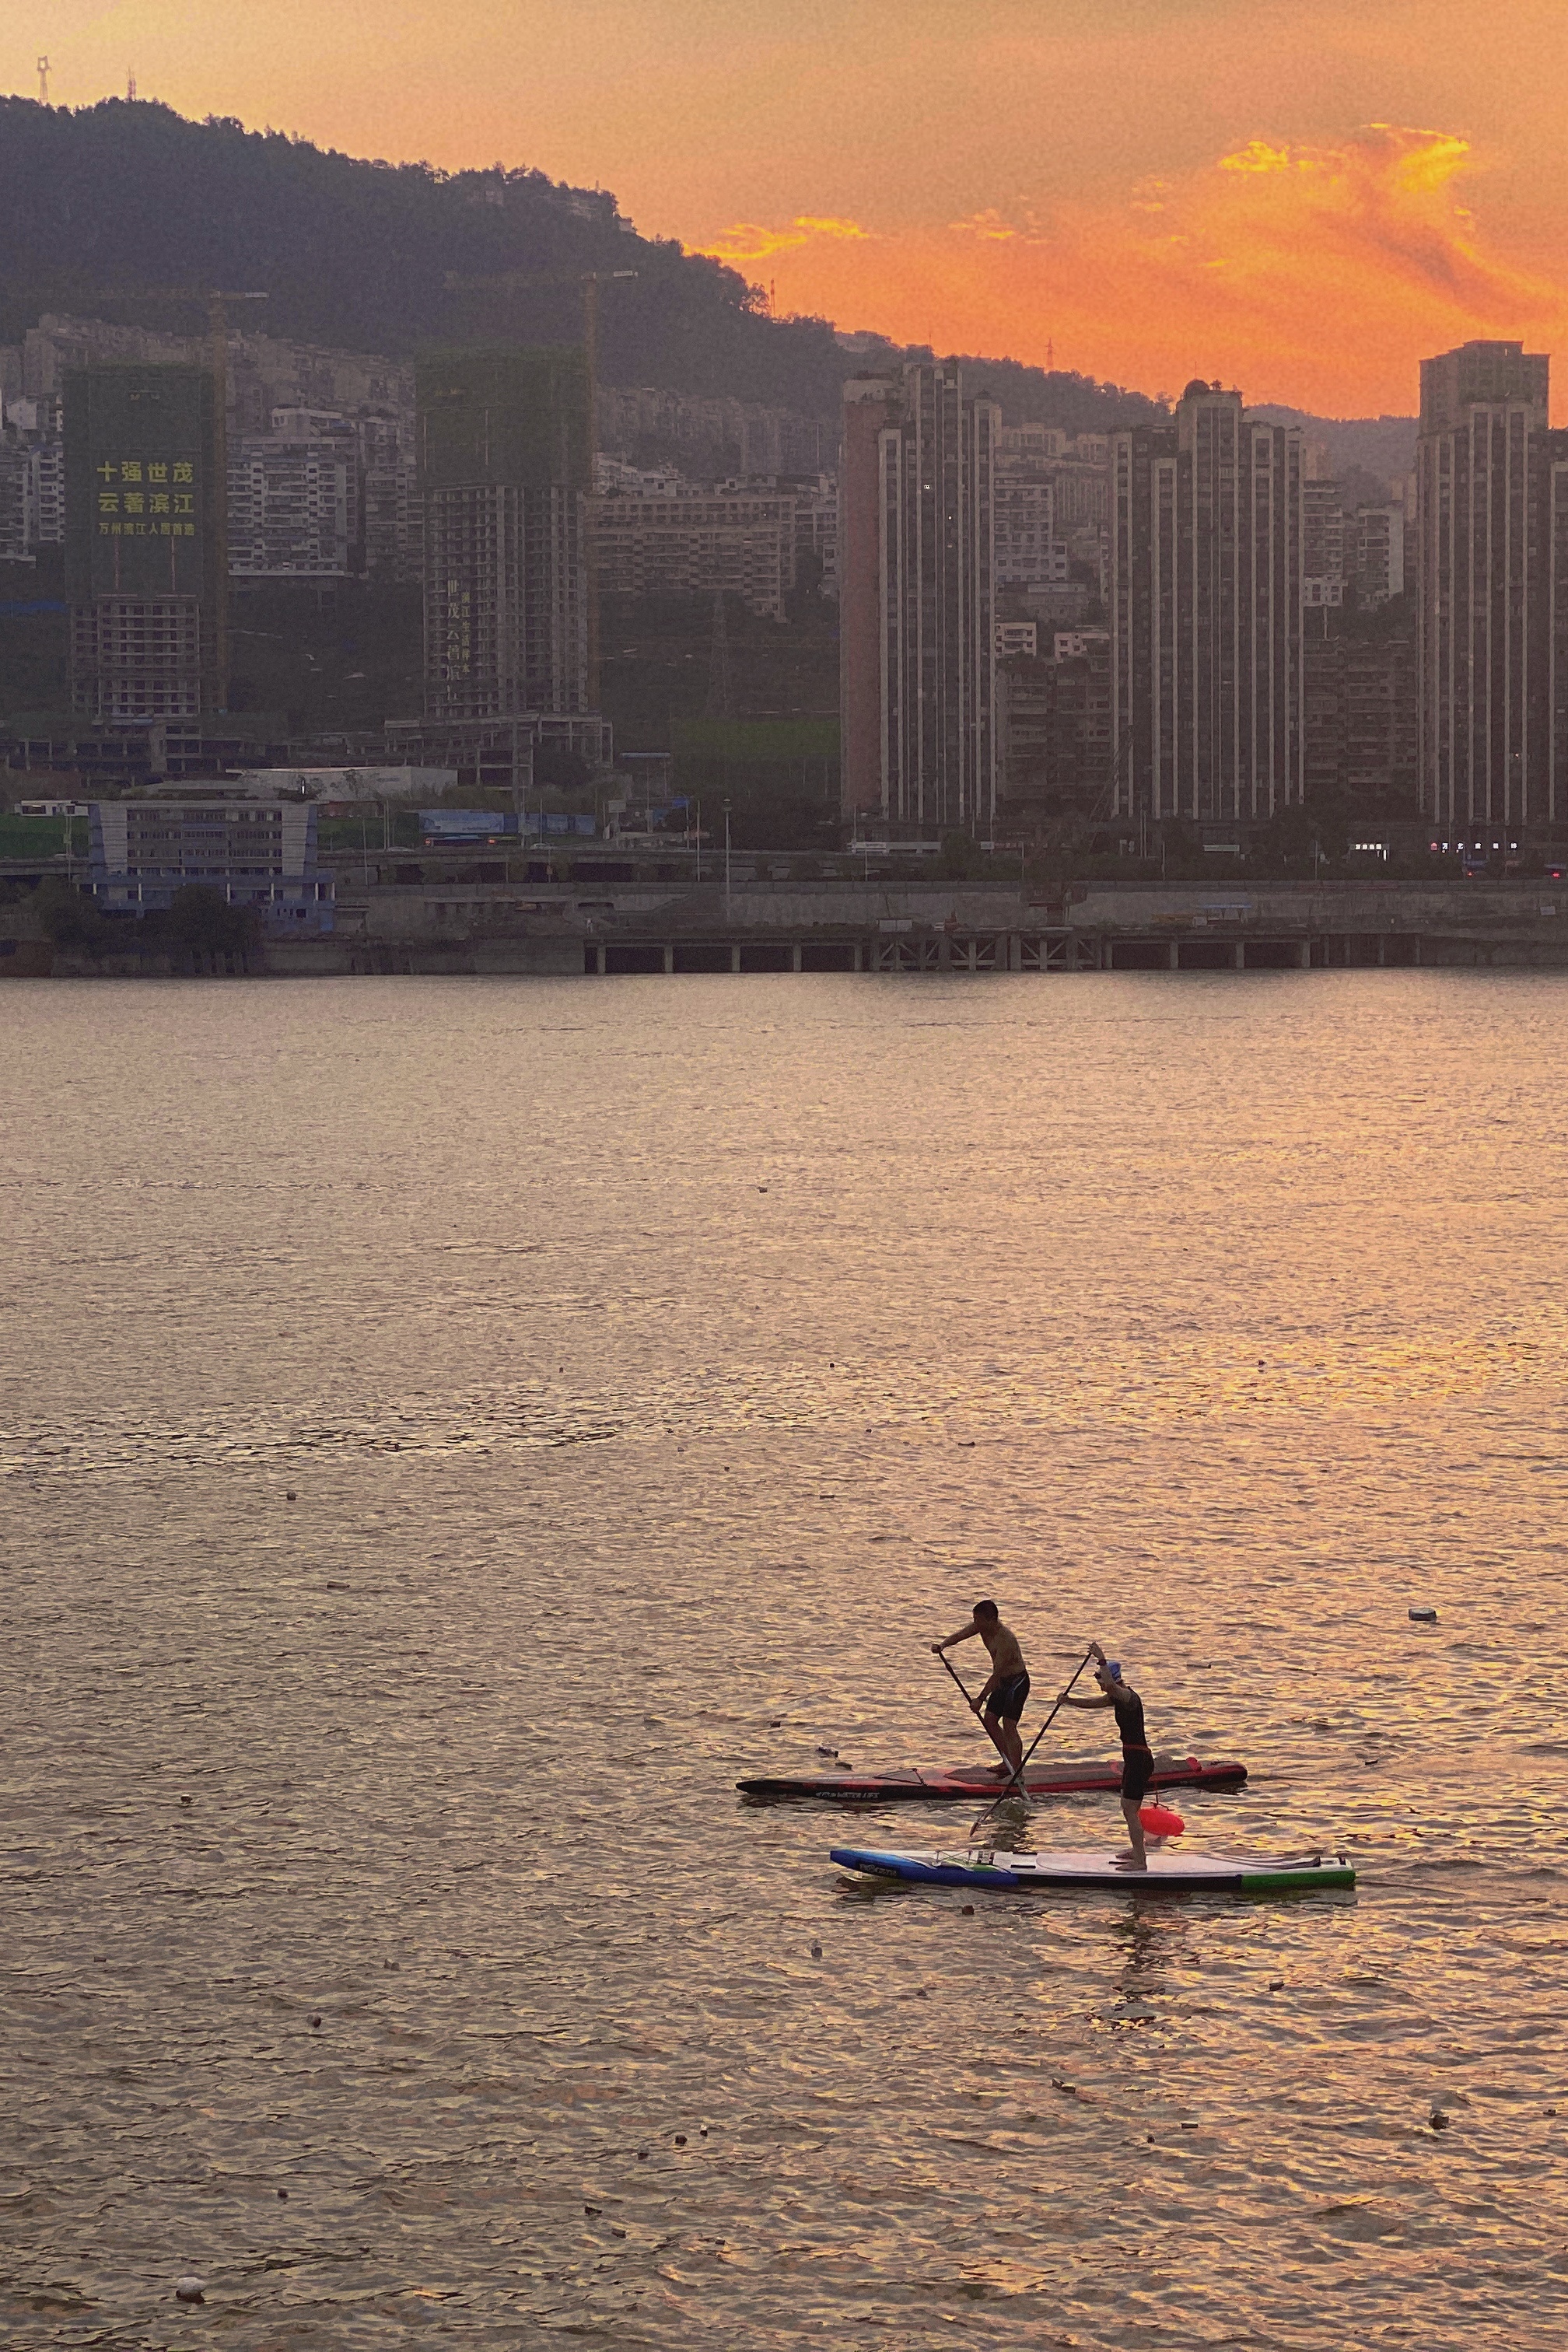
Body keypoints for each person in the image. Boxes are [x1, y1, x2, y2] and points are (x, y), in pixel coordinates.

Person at [1061, 1642, 1153, 1867]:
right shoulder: (1116, 1697)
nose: (1100, 1685)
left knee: (1131, 1809)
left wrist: (1101, 1657)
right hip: (1132, 1759)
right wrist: (1068, 1701)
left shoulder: (1127, 1697)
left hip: (1139, 1759)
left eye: (1100, 1679)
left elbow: (1111, 1688)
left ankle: (1140, 1860)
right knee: (1128, 1807)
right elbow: (1093, 1703)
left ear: (1110, 1678)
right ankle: (1136, 1851)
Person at [931, 1601, 1030, 1781]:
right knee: (990, 1721)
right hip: (1001, 1682)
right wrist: (943, 1645)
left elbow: (996, 1675)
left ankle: (1017, 1771)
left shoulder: (1005, 1639)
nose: (974, 1623)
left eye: (977, 1619)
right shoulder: (981, 1627)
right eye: (974, 1619)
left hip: (1017, 1683)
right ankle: (1007, 1762)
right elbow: (961, 1635)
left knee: (1009, 1725)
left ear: (992, 1620)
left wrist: (980, 1698)